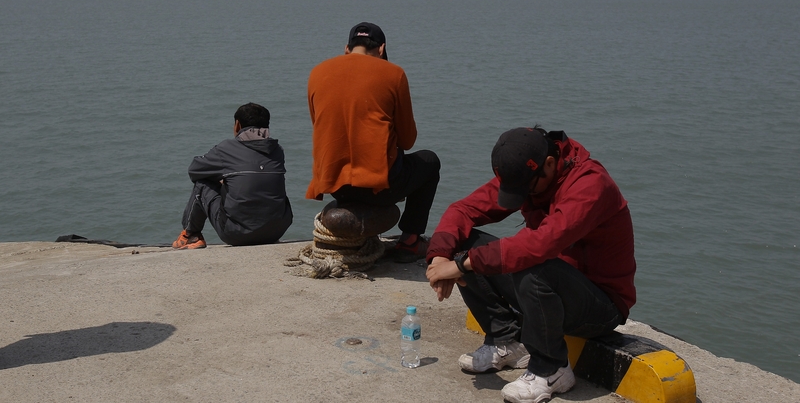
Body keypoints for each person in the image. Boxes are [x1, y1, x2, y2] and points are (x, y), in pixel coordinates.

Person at [425, 126, 636, 403]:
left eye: (525, 189)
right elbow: (463, 210)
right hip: (548, 289)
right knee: (463, 245)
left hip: (600, 306)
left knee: (529, 264)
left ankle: (552, 368)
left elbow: (541, 245)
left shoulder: (590, 185)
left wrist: (463, 266)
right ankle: (506, 340)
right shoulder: (531, 174)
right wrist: (441, 255)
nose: (522, 195)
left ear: (549, 164)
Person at [306, 22, 440, 260]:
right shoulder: (393, 73)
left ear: (347, 48)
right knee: (429, 161)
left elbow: (319, 124)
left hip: (335, 186)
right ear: (381, 49)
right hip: (378, 187)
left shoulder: (317, 72)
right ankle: (410, 241)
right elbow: (408, 141)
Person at [172, 103, 293, 249]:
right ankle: (264, 228)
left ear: (237, 125)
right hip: (276, 231)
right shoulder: (277, 150)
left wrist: (221, 178)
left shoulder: (226, 149)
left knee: (202, 184)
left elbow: (195, 169)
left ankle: (191, 235)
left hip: (236, 234)